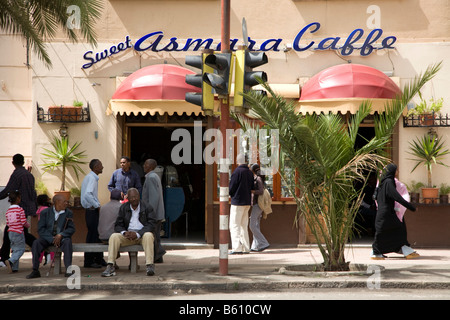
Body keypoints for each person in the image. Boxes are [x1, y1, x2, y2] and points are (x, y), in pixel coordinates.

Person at [102, 188, 157, 277]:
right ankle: (110, 266)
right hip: (128, 236)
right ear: (128, 198)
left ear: (139, 196)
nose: (134, 199)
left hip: (141, 236)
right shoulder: (124, 207)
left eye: (135, 197)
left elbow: (151, 224)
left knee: (149, 235)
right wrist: (124, 232)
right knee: (114, 236)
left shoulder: (147, 207)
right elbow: (118, 225)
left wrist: (138, 234)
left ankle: (149, 266)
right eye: (131, 197)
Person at [371, 163, 419, 260]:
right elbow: (397, 197)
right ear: (392, 171)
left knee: (384, 233)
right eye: (396, 170)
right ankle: (376, 253)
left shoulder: (382, 183)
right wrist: (411, 207)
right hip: (387, 214)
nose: (398, 172)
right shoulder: (389, 182)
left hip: (383, 214)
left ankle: (377, 252)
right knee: (399, 231)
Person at [0, 154, 37, 267]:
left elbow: (8, 190)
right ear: (23, 161)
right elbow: (33, 192)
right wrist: (34, 207)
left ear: (13, 163)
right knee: (22, 234)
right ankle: (40, 248)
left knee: (10, 231)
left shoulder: (17, 174)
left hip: (18, 209)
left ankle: (4, 258)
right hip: (28, 208)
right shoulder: (29, 175)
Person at [26, 194, 75, 278]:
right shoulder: (45, 212)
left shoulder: (68, 213)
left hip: (61, 238)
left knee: (67, 242)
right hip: (48, 238)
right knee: (36, 243)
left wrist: (61, 235)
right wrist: (51, 238)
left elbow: (71, 229)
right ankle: (35, 270)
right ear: (57, 202)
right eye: (64, 201)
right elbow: (41, 229)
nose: (66, 203)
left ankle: (68, 270)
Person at [228, 154, 254, 254]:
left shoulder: (236, 172)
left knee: (234, 225)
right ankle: (246, 248)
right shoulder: (249, 173)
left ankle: (237, 248)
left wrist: (230, 194)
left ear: (237, 161)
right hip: (247, 202)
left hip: (237, 202)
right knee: (244, 225)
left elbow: (231, 188)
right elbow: (252, 187)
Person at [81, 159, 104, 268]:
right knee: (92, 235)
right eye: (100, 165)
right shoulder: (92, 178)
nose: (102, 167)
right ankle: (89, 261)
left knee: (96, 234)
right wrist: (97, 205)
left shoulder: (92, 177)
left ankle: (99, 258)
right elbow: (88, 194)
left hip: (91, 210)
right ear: (95, 167)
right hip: (91, 210)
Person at [142, 159, 166, 263]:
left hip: (154, 214)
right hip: (157, 213)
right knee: (155, 235)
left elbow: (153, 198)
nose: (143, 166)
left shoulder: (151, 177)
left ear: (150, 167)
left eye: (145, 164)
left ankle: (158, 254)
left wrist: (150, 214)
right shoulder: (154, 176)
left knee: (153, 235)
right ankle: (157, 256)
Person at [5, 191, 29, 273]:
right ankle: (11, 261)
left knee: (15, 250)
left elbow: (8, 223)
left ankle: (14, 268)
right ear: (18, 199)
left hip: (10, 232)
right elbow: (23, 222)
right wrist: (27, 225)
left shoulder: (8, 211)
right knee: (21, 249)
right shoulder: (20, 210)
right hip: (18, 232)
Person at [249, 164, 270, 252]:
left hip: (258, 205)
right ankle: (255, 246)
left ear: (253, 170)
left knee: (252, 226)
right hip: (257, 205)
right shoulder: (257, 178)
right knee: (256, 225)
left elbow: (261, 191)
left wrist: (252, 191)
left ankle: (264, 243)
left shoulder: (258, 179)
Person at [36, 194, 53, 265]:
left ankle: (38, 261)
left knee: (41, 247)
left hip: (41, 230)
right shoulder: (47, 209)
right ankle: (52, 261)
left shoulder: (39, 209)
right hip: (48, 230)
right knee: (53, 245)